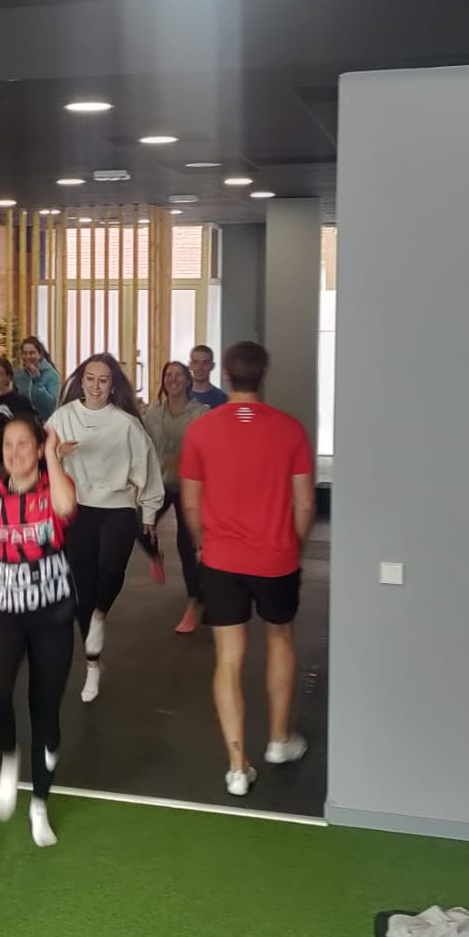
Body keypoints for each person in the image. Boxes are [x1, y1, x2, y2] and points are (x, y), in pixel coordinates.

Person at [177, 341, 315, 797]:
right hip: (277, 559)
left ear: (226, 375)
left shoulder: (201, 430)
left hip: (221, 560)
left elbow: (190, 504)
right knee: (280, 638)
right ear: (263, 375)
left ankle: (237, 767)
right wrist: (293, 546)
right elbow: (306, 504)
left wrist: (203, 544)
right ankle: (279, 741)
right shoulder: (291, 430)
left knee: (228, 657)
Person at [0, 415, 79, 848]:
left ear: (38, 449)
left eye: (24, 444)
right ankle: (9, 756)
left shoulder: (55, 488)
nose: (15, 452)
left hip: (52, 614)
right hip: (6, 608)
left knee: (45, 712)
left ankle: (39, 803)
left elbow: (66, 509)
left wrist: (52, 453)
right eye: (8, 445)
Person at [46, 354, 164, 703]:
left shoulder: (126, 424)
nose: (95, 386)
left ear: (113, 386)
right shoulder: (63, 417)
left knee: (111, 568)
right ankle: (92, 665)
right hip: (78, 507)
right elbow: (41, 458)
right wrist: (57, 454)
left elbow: (148, 468)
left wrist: (149, 514)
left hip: (119, 506)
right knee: (82, 587)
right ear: (80, 381)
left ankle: (101, 614)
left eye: (103, 380)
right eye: (90, 378)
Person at [141, 360, 209, 634]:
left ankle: (194, 602)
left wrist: (183, 461)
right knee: (137, 524)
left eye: (179, 375)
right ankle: (155, 555)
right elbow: (141, 446)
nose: (173, 379)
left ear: (188, 381)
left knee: (186, 544)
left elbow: (209, 450)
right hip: (160, 484)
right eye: (168, 375)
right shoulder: (152, 415)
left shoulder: (201, 413)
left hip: (190, 486)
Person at [17, 336, 62, 419]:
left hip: (45, 422)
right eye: (25, 353)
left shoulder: (52, 374)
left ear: (40, 354)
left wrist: (37, 380)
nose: (28, 356)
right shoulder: (19, 375)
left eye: (32, 353)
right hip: (24, 422)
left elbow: (52, 406)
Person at [187, 344, 229, 408]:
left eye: (205, 363)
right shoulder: (181, 396)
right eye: (196, 362)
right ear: (190, 365)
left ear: (212, 366)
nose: (200, 367)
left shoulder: (222, 399)